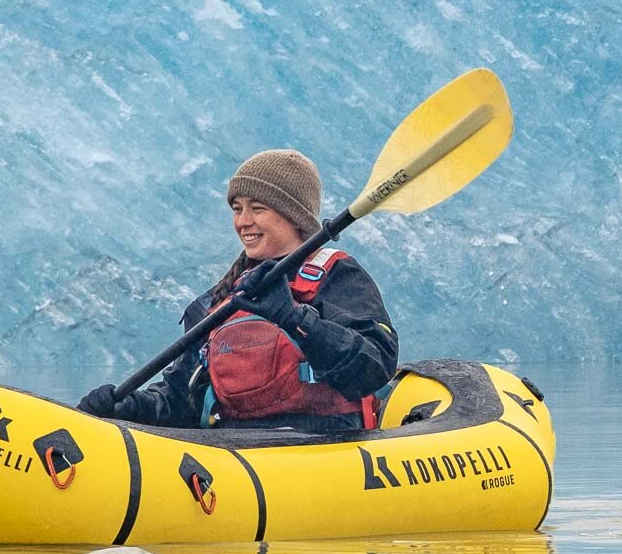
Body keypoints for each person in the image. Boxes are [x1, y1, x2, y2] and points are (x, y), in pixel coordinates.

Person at [78, 149, 398, 432]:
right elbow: (181, 400)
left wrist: (295, 318)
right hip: (234, 457)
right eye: (236, 208)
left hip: (325, 449)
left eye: (257, 208)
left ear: (293, 214)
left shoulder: (338, 276)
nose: (243, 221)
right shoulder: (220, 301)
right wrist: (129, 407)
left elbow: (373, 368)